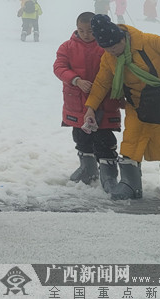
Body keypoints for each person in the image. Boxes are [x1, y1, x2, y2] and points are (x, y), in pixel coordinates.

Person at [82, 15, 160, 206]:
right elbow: (102, 83)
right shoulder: (109, 58)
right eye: (107, 49)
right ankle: (130, 184)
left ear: (122, 38)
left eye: (114, 47)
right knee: (131, 142)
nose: (111, 52)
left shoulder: (149, 41)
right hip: (137, 105)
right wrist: (90, 108)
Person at [53, 12, 122, 192]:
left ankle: (109, 174)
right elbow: (59, 67)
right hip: (77, 101)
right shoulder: (67, 47)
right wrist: (75, 80)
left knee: (104, 137)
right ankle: (88, 168)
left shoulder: (106, 46)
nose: (85, 34)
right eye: (81, 30)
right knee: (81, 136)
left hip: (105, 101)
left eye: (90, 31)